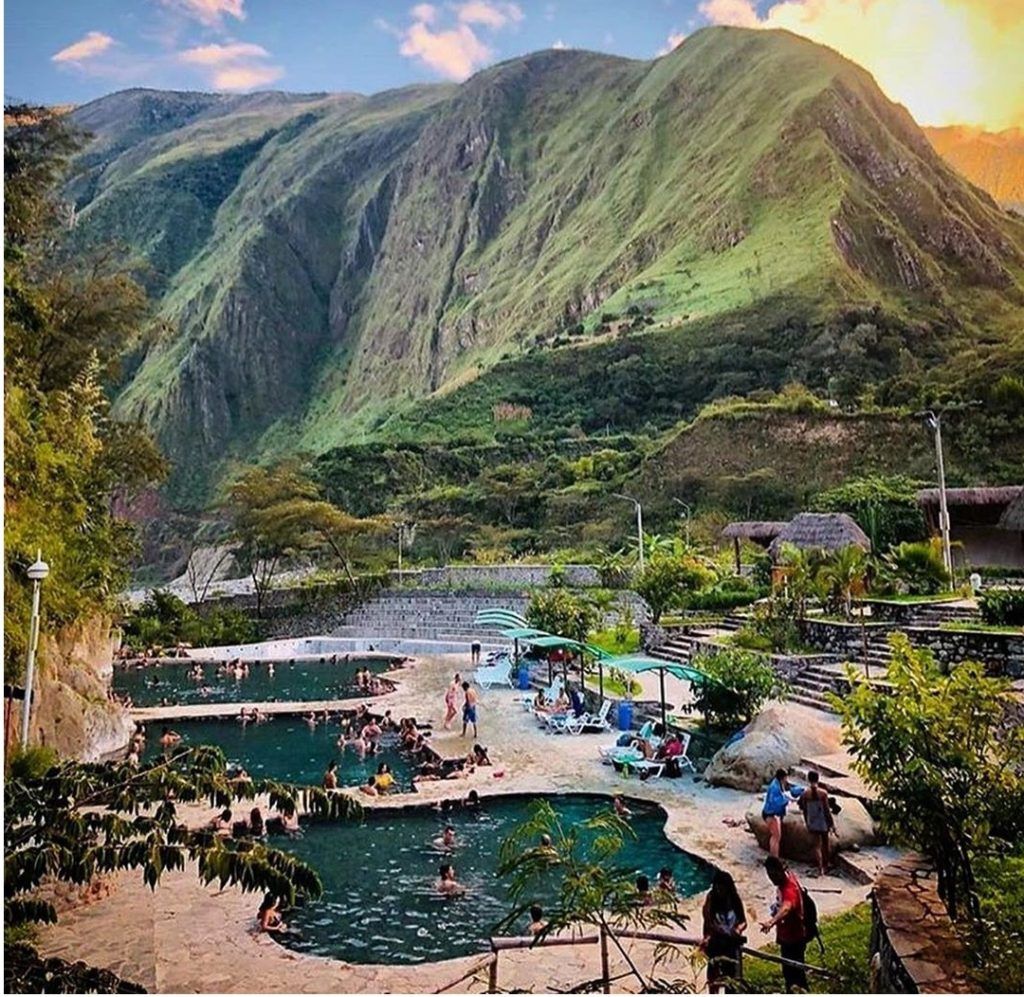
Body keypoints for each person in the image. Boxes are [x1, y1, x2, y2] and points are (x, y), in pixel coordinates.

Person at [760, 856, 807, 992]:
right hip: (787, 936)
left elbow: (787, 907)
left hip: (794, 938)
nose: (771, 879)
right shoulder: (786, 878)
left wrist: (771, 921)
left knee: (795, 976)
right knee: (790, 974)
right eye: (769, 875)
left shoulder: (789, 888)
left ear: (780, 871)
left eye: (773, 875)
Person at [701, 869, 747, 993]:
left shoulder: (735, 900)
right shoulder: (711, 899)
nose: (720, 891)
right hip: (716, 943)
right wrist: (708, 936)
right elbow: (708, 921)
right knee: (713, 978)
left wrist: (738, 929)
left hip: (731, 945)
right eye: (717, 888)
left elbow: (743, 921)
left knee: (730, 979)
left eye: (722, 889)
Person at [798, 770, 837, 876]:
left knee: (816, 846)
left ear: (808, 779)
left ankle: (819, 868)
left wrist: (807, 822)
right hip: (822, 821)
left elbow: (803, 809)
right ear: (818, 779)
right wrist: (831, 824)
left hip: (812, 821)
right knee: (825, 844)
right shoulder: (823, 793)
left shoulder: (805, 794)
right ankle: (826, 864)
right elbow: (826, 810)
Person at [762, 769, 801, 858]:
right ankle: (774, 858)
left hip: (771, 813)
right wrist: (787, 801)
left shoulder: (777, 783)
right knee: (776, 837)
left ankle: (774, 857)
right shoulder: (775, 787)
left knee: (775, 837)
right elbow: (776, 802)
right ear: (783, 777)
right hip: (771, 814)